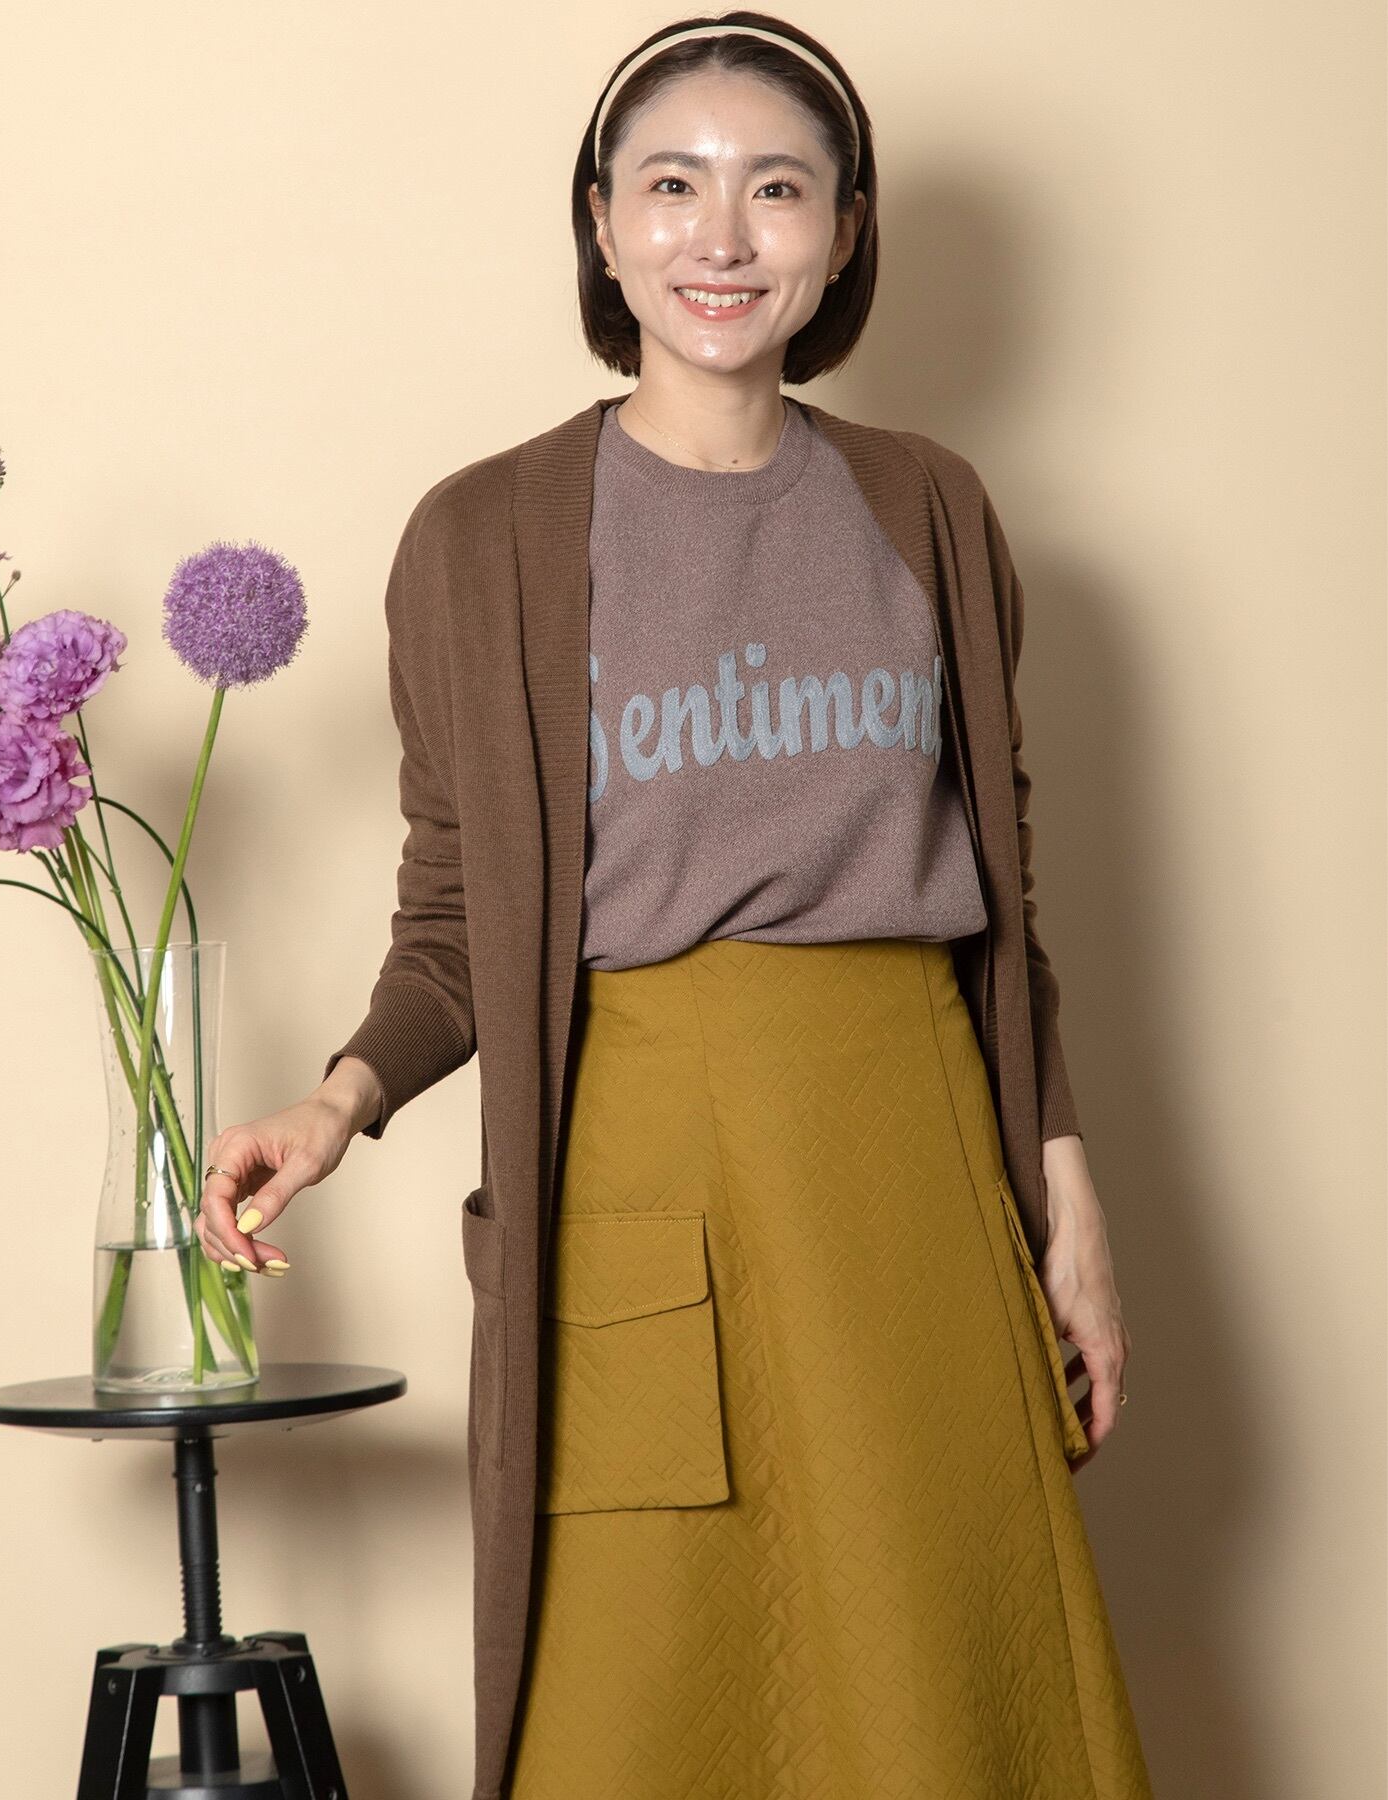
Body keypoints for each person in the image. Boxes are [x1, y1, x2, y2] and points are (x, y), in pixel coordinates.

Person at [195, 13, 1155, 1796]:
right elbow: (459, 907)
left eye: (776, 190)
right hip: (636, 1185)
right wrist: (338, 1105)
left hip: (911, 1180)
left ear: (845, 232)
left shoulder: (930, 508)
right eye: (673, 186)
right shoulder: (482, 539)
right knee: (641, 1709)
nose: (722, 238)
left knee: (944, 1689)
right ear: (603, 220)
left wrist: (1068, 1201)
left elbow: (1002, 903)